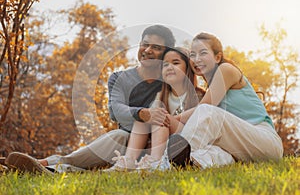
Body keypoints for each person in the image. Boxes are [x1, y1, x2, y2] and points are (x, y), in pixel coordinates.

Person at [4, 25, 178, 174]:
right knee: (119, 136)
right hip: (125, 146)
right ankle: (49, 166)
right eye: (145, 44)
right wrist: (142, 113)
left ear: (166, 54)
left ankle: (47, 165)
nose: (147, 50)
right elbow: (115, 111)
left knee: (115, 141)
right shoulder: (119, 78)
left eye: (156, 47)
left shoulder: (170, 80)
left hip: (157, 149)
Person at [167, 32, 283, 169]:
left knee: (206, 111)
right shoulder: (212, 87)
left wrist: (173, 118)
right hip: (242, 145)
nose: (196, 59)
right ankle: (189, 163)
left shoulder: (226, 70)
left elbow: (206, 107)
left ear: (217, 57)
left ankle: (171, 161)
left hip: (265, 142)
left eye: (203, 53)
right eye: (192, 55)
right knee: (216, 152)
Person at [106, 47, 205, 171]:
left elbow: (200, 124)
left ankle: (155, 162)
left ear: (187, 68)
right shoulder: (161, 95)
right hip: (166, 141)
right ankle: (129, 160)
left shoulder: (198, 95)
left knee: (160, 117)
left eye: (175, 63)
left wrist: (166, 118)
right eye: (165, 65)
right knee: (145, 116)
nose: (169, 67)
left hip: (189, 139)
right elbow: (150, 117)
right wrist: (146, 115)